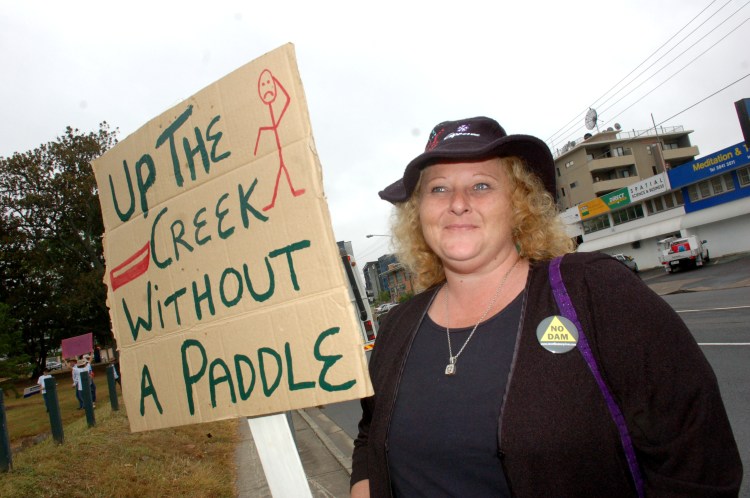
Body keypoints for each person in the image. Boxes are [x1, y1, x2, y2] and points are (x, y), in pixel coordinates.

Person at [350, 116, 742, 497]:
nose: (458, 203)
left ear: (519, 204)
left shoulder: (593, 289)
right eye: (438, 189)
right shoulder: (398, 326)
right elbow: (370, 436)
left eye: (482, 185)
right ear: (418, 213)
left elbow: (697, 458)